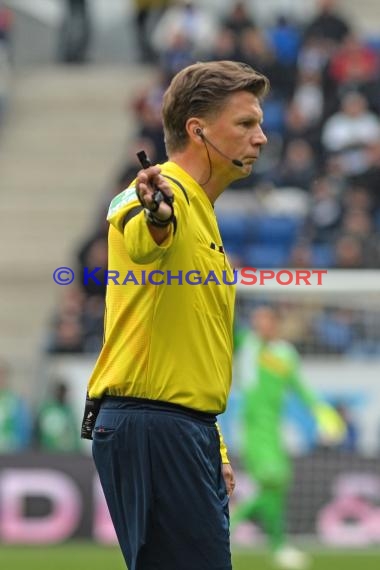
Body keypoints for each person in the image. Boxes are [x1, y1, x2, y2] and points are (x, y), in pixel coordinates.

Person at [81, 60, 269, 570]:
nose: (263, 138)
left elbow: (194, 351)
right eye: (247, 124)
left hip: (183, 427)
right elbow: (141, 228)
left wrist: (217, 448)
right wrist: (155, 214)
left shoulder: (204, 211)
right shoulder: (162, 191)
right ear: (197, 129)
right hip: (152, 426)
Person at [231, 306, 345, 569]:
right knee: (274, 479)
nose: (260, 323)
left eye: (265, 319)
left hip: (273, 428)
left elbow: (300, 388)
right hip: (252, 427)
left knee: (276, 489)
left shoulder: (284, 353)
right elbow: (224, 325)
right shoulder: (246, 342)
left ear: (275, 324)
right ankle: (228, 530)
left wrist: (320, 411)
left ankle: (278, 547)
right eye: (256, 319)